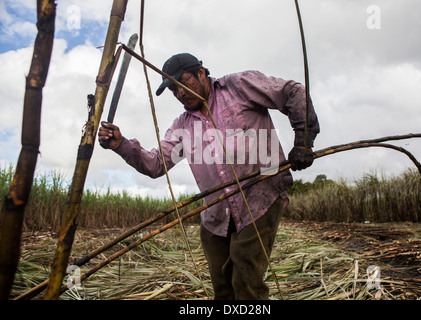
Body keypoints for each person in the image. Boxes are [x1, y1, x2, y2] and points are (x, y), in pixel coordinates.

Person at [98, 53, 320, 300]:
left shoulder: (238, 87)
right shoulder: (182, 125)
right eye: (174, 90)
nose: (180, 94)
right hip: (216, 214)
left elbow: (292, 92)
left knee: (246, 284)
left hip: (260, 199)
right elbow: (156, 164)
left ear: (201, 73)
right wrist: (121, 145)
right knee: (223, 289)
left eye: (183, 84)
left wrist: (303, 140)